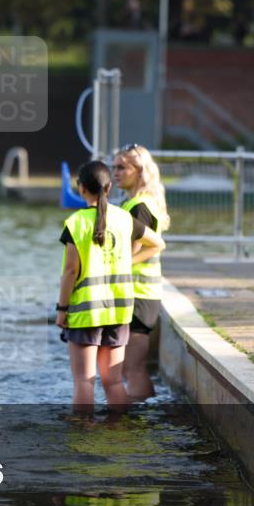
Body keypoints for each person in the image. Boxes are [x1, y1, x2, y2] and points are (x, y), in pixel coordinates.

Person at [56, 160, 165, 414]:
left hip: (86, 312)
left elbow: (70, 271)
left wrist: (62, 309)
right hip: (118, 312)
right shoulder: (124, 219)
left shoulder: (76, 222)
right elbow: (157, 242)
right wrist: (127, 261)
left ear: (81, 188)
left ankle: (82, 435)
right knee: (113, 381)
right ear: (108, 189)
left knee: (84, 380)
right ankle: (120, 432)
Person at [112, 144, 171, 401]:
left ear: (139, 171)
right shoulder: (134, 203)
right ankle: (141, 414)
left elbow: (146, 246)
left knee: (131, 367)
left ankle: (138, 421)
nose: (115, 173)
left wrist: (121, 266)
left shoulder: (139, 206)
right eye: (114, 167)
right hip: (140, 294)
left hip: (139, 295)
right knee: (129, 367)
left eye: (121, 167)